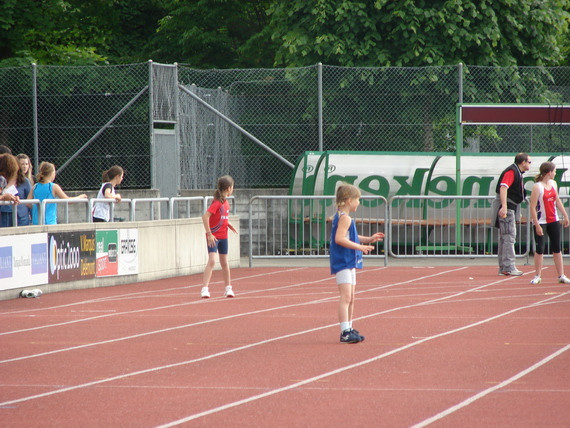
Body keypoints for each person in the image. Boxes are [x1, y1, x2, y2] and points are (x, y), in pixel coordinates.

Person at [330, 183, 384, 344]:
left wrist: (368, 239)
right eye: (357, 199)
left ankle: (349, 327)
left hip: (349, 260)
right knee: (346, 297)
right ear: (349, 200)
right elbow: (339, 239)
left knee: (351, 297)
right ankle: (344, 331)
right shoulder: (344, 218)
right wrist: (360, 247)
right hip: (343, 261)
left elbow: (351, 236)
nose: (359, 203)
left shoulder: (343, 217)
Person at [528, 161, 570, 284]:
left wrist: (565, 215)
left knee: (557, 248)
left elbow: (557, 200)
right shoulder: (537, 187)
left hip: (554, 220)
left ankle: (561, 275)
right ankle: (537, 275)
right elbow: (532, 207)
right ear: (549, 172)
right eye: (554, 171)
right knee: (540, 248)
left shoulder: (553, 183)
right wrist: (537, 225)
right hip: (541, 221)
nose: (555, 173)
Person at [491, 153, 532, 276]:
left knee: (505, 237)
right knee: (509, 237)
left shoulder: (517, 172)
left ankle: (504, 267)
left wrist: (517, 212)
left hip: (511, 207)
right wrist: (504, 206)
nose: (530, 164)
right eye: (529, 162)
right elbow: (503, 188)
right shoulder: (511, 172)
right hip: (507, 208)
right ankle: (508, 266)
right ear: (523, 162)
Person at [200, 175, 238, 298]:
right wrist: (209, 234)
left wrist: (229, 224)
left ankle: (228, 288)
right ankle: (205, 289)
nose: (233, 189)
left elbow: (222, 217)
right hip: (214, 237)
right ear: (228, 188)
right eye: (232, 187)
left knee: (225, 263)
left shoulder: (226, 203)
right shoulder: (216, 203)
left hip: (223, 237)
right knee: (212, 261)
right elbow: (205, 217)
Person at [0, 156, 31, 226]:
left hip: (21, 216)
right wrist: (4, 197)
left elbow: (30, 200)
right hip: (4, 215)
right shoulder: (2, 180)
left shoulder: (25, 181)